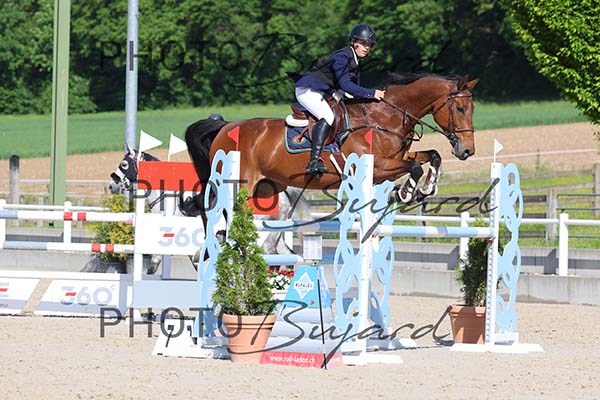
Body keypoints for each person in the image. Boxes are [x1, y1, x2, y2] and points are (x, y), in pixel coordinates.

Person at [295, 23, 386, 176]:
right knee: (328, 116)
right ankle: (314, 161)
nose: (367, 47)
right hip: (308, 90)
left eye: (369, 45)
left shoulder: (355, 60)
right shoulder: (342, 57)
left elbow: (355, 88)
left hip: (323, 92)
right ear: (353, 42)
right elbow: (346, 85)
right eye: (363, 43)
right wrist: (372, 93)